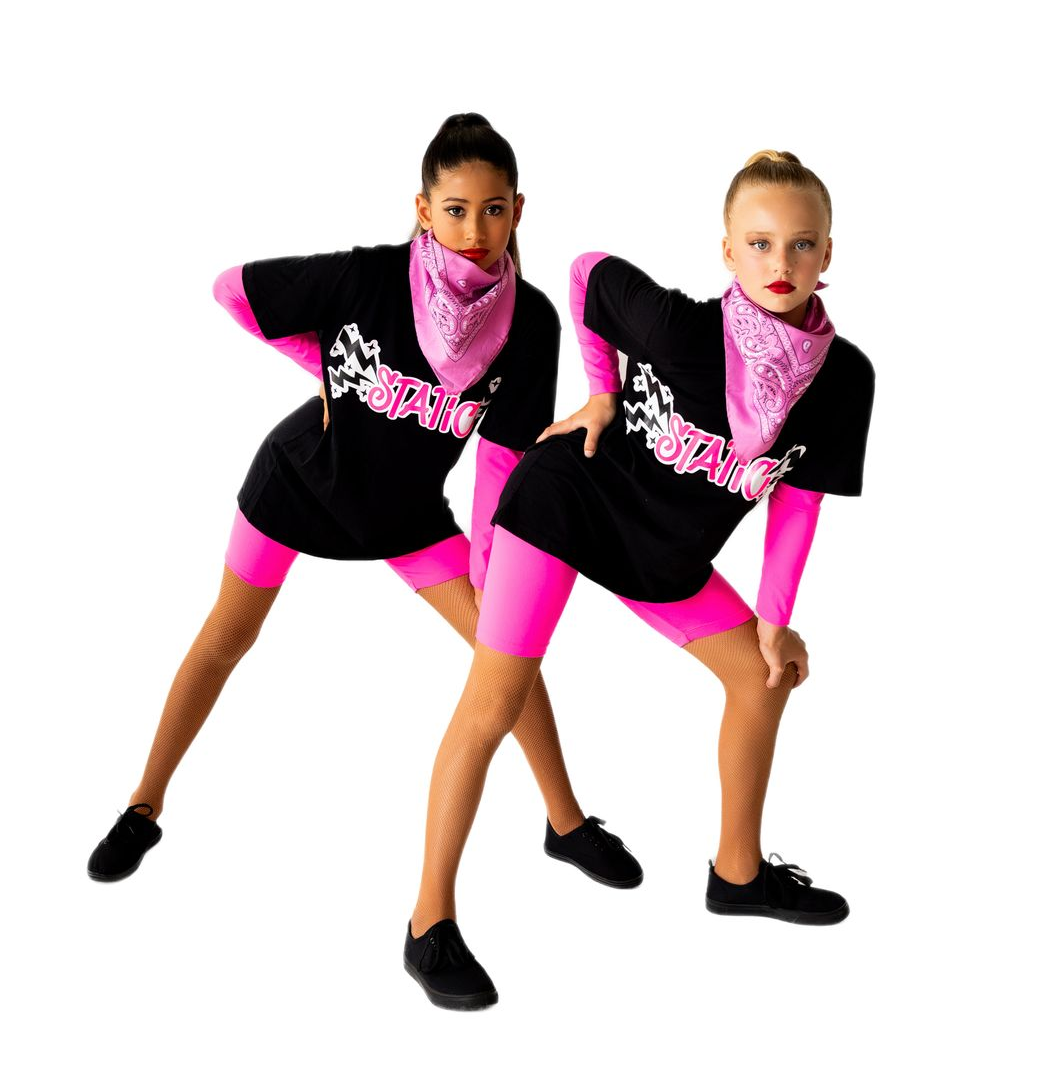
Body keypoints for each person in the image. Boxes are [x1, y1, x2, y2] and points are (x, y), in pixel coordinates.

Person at [86, 114, 642, 906]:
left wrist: (491, 586)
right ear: (423, 209)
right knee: (225, 636)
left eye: (493, 208)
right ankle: (143, 804)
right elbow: (233, 290)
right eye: (455, 209)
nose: (475, 228)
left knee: (505, 650)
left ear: (519, 209)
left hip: (406, 513)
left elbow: (500, 464)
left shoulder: (530, 323)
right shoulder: (367, 278)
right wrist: (326, 367)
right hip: (298, 484)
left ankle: (565, 821)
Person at [404, 151, 875, 1010]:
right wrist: (600, 394)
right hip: (566, 502)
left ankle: (738, 874)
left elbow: (798, 503)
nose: (781, 264)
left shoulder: (844, 381)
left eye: (800, 245)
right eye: (760, 243)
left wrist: (775, 622)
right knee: (494, 701)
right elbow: (586, 275)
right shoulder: (682, 331)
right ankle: (428, 921)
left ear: (828, 254)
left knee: (762, 677)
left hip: (663, 555)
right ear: (727, 251)